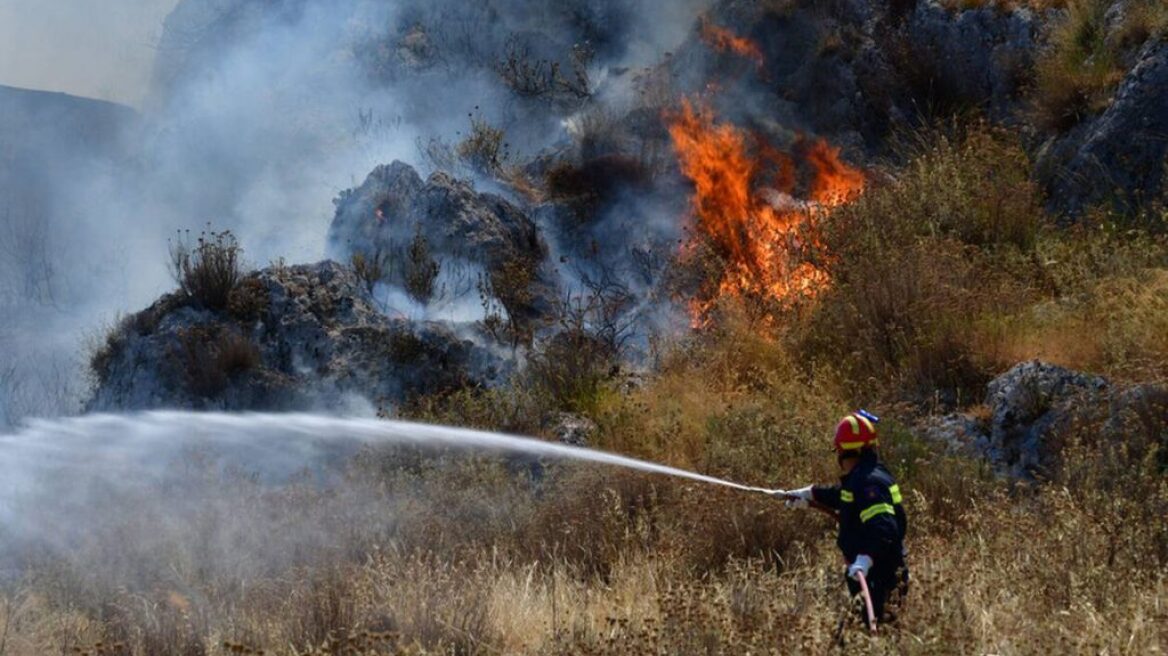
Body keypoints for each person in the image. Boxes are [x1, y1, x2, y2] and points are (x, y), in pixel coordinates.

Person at [778, 410, 908, 627]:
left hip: (879, 575)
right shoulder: (866, 474)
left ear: (848, 454)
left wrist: (866, 559)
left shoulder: (869, 484)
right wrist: (810, 494)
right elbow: (846, 497)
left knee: (870, 636)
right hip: (872, 572)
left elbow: (884, 528)